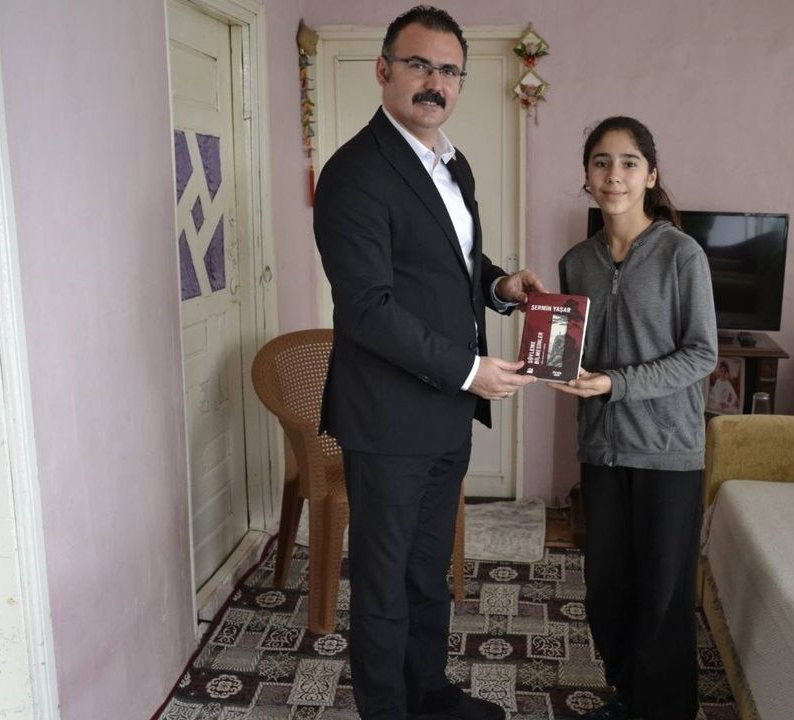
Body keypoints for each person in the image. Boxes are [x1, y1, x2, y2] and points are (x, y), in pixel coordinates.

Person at [312, 6, 547, 720]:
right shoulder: (354, 172)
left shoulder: (452, 162)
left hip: (444, 412)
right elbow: (368, 308)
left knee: (426, 571)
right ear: (384, 70)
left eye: (449, 70)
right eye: (419, 65)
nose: (434, 82)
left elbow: (452, 264)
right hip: (387, 419)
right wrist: (471, 371)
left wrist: (500, 287)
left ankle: (430, 695)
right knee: (383, 583)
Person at [552, 116, 719, 720]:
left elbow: (701, 354)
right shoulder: (577, 262)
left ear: (650, 175)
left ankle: (664, 710)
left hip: (668, 451)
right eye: (601, 162)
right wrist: (548, 353)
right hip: (602, 449)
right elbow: (575, 354)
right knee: (608, 592)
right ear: (587, 175)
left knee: (662, 597)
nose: (613, 175)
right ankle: (630, 696)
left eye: (628, 163)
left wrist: (615, 384)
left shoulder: (682, 255)